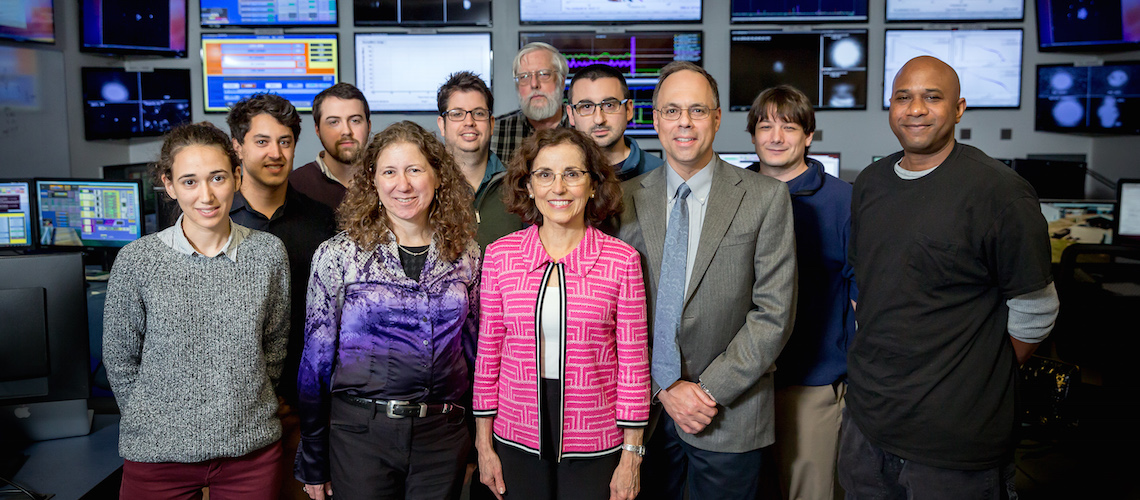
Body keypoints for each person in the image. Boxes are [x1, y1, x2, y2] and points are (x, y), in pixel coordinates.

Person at [840, 56, 1059, 499]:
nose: (915, 109)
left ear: (958, 108)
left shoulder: (999, 192)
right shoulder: (869, 184)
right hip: (868, 425)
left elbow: (1037, 310)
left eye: (931, 97)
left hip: (955, 439)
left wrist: (975, 374)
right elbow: (866, 284)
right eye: (903, 97)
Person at [615, 61, 797, 500]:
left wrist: (707, 391)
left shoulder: (765, 197)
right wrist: (665, 388)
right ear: (655, 120)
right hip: (646, 418)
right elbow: (614, 309)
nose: (684, 122)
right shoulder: (622, 202)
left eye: (697, 110)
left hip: (730, 416)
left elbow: (773, 314)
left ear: (716, 118)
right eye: (672, 110)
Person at [103, 122, 290, 499]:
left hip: (250, 452)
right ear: (169, 185)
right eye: (189, 181)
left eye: (217, 177)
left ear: (237, 177)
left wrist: (243, 404)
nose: (206, 195)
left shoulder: (268, 253)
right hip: (157, 455)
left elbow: (274, 346)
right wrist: (150, 420)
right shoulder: (138, 260)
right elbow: (119, 358)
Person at [295, 121, 480, 500]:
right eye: (390, 172)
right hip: (360, 436)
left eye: (414, 169)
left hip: (442, 436)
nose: (403, 184)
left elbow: (477, 352)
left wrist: (481, 439)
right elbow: (315, 363)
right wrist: (314, 453)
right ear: (373, 181)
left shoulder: (468, 255)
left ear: (438, 176)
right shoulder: (338, 255)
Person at [473, 127, 650, 500]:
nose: (559, 188)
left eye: (572, 174)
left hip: (597, 441)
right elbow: (488, 357)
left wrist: (631, 457)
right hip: (515, 436)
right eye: (545, 175)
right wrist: (483, 445)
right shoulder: (500, 256)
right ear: (529, 186)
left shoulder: (622, 261)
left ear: (592, 185)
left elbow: (634, 368)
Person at [745, 85, 857, 500]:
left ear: (809, 136)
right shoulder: (732, 194)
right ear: (753, 135)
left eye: (789, 127)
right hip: (740, 385)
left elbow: (860, 295)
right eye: (765, 126)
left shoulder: (843, 201)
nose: (776, 137)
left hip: (810, 384)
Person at [226, 92, 337, 499]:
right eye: (261, 141)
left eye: (285, 141)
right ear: (236, 147)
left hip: (305, 408)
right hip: (235, 409)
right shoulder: (213, 221)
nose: (275, 153)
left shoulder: (324, 221)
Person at [436, 70, 526, 252]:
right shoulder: (426, 187)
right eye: (457, 114)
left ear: (491, 124)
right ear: (442, 125)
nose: (469, 122)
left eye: (478, 113)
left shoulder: (519, 186)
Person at [567, 63, 663, 181]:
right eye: (586, 106)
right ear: (571, 114)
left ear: (628, 109)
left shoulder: (661, 174)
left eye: (609, 105)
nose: (599, 119)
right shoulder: (555, 171)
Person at [291, 83, 372, 210]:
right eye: (334, 122)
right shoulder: (294, 185)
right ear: (317, 130)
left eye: (355, 120)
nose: (346, 131)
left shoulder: (389, 182)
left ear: (369, 126)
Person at [490, 42, 570, 164]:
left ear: (562, 81)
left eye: (544, 74)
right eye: (524, 77)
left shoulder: (583, 126)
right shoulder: (495, 131)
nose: (534, 84)